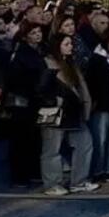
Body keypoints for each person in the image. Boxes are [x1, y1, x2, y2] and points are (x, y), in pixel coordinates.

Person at [38, 33, 99, 195]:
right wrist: (55, 100)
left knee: (85, 145)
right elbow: (42, 89)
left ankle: (79, 180)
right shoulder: (48, 63)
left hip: (74, 112)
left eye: (70, 43)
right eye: (66, 44)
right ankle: (52, 184)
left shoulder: (71, 64)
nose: (70, 46)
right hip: (57, 114)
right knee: (52, 150)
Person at [4, 23, 46, 187]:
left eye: (39, 32)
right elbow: (15, 79)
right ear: (25, 35)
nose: (38, 35)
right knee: (21, 140)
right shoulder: (20, 53)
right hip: (23, 102)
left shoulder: (41, 50)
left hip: (36, 99)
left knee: (35, 138)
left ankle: (33, 171)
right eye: (33, 32)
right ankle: (19, 175)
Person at [86, 28, 109, 182]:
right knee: (100, 138)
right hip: (102, 103)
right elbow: (92, 81)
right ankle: (98, 170)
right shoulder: (97, 58)